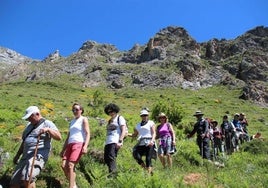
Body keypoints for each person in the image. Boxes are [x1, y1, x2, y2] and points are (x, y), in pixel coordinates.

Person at [10, 106, 62, 188]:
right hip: (25, 156)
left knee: (28, 177)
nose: (28, 120)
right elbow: (24, 142)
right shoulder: (29, 125)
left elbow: (59, 137)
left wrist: (48, 130)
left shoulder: (47, 123)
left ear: (37, 114)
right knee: (14, 182)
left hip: (37, 156)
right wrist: (17, 155)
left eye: (30, 117)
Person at [60, 103, 90, 188]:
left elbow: (88, 133)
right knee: (63, 166)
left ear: (81, 110)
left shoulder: (84, 119)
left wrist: (85, 146)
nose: (75, 111)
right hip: (70, 144)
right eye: (73, 110)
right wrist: (63, 150)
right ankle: (73, 185)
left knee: (70, 165)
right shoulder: (72, 121)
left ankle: (71, 186)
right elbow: (68, 137)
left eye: (76, 109)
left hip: (79, 143)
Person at [130, 109, 156, 174]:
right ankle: (146, 169)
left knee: (148, 158)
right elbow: (135, 134)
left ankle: (148, 175)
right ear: (141, 116)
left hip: (149, 141)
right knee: (136, 155)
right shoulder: (138, 125)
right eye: (143, 115)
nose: (144, 116)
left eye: (145, 115)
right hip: (141, 142)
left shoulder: (151, 123)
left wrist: (152, 141)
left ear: (148, 115)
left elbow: (154, 133)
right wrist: (127, 134)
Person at [103, 103, 127, 177]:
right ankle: (111, 173)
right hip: (108, 142)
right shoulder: (110, 120)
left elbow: (123, 130)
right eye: (109, 112)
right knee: (106, 159)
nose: (111, 113)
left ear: (115, 110)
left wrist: (120, 141)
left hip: (115, 141)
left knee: (111, 157)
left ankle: (113, 176)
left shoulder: (120, 118)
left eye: (112, 111)